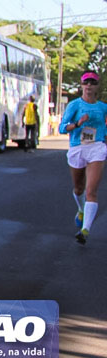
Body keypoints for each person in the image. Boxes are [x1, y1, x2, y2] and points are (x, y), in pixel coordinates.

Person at [59, 71, 107, 244]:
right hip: (78, 148)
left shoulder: (103, 107)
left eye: (92, 83)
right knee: (78, 189)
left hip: (97, 148)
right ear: (81, 86)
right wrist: (78, 123)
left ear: (96, 87)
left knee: (91, 191)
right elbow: (62, 128)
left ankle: (85, 230)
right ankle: (81, 209)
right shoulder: (74, 105)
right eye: (86, 83)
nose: (89, 86)